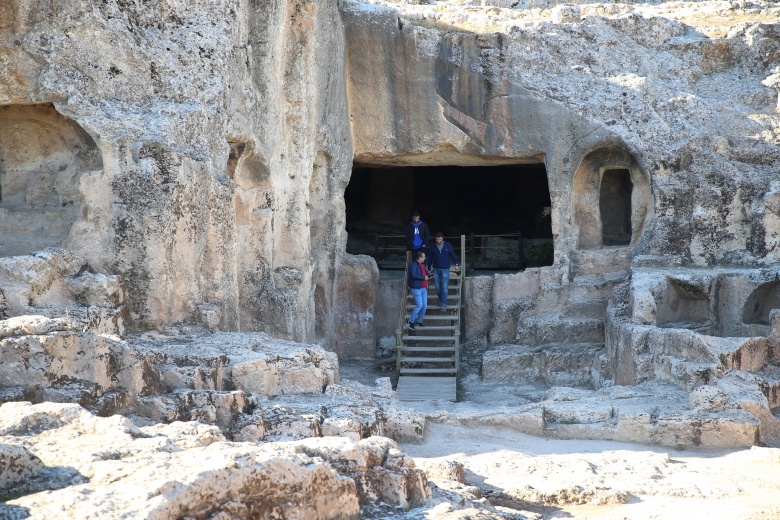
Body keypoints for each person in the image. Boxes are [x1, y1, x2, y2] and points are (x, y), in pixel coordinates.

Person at [427, 232, 460, 311]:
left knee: (444, 287)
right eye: (437, 239)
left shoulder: (448, 245)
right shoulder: (432, 246)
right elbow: (429, 258)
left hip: (445, 269)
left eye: (440, 239)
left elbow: (453, 255)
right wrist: (428, 269)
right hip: (435, 269)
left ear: (443, 238)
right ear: (435, 239)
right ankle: (442, 301)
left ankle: (444, 303)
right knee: (437, 287)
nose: (438, 240)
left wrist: (456, 264)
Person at [406, 250, 432, 331]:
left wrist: (429, 275)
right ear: (420, 257)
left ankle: (419, 321)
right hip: (416, 288)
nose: (425, 258)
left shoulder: (422, 265)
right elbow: (413, 275)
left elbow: (425, 273)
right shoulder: (413, 265)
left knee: (424, 306)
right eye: (424, 257)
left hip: (423, 288)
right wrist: (424, 278)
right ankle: (410, 322)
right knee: (419, 305)